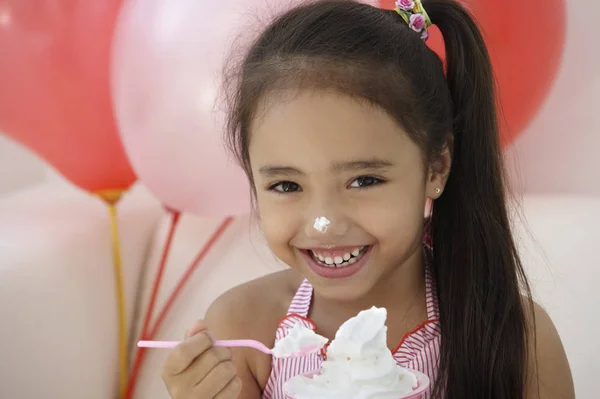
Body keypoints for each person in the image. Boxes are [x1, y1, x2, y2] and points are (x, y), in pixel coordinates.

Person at [160, 0, 575, 398]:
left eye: (364, 181)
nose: (324, 223)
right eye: (287, 186)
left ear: (436, 168)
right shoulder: (244, 328)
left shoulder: (519, 341)